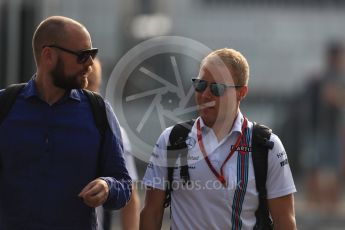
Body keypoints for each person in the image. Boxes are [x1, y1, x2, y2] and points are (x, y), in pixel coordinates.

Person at [140, 48, 297, 229]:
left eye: (216, 88)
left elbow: (284, 219)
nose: (205, 94)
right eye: (200, 85)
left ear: (241, 92)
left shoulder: (267, 146)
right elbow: (151, 212)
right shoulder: (172, 140)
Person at [0, 16, 131, 230]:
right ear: (48, 55)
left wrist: (107, 186)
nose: (90, 63)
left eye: (92, 54)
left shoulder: (98, 111)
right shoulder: (5, 106)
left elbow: (124, 185)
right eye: (82, 56)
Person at [87, 58, 141, 230]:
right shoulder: (111, 128)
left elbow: (129, 198)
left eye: (93, 83)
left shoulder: (110, 129)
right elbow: (131, 200)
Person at [302, 40, 345, 212]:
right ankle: (316, 202)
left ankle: (329, 203)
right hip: (320, 129)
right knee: (316, 166)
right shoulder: (324, 78)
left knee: (332, 168)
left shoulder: (334, 77)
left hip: (332, 129)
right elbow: (331, 97)